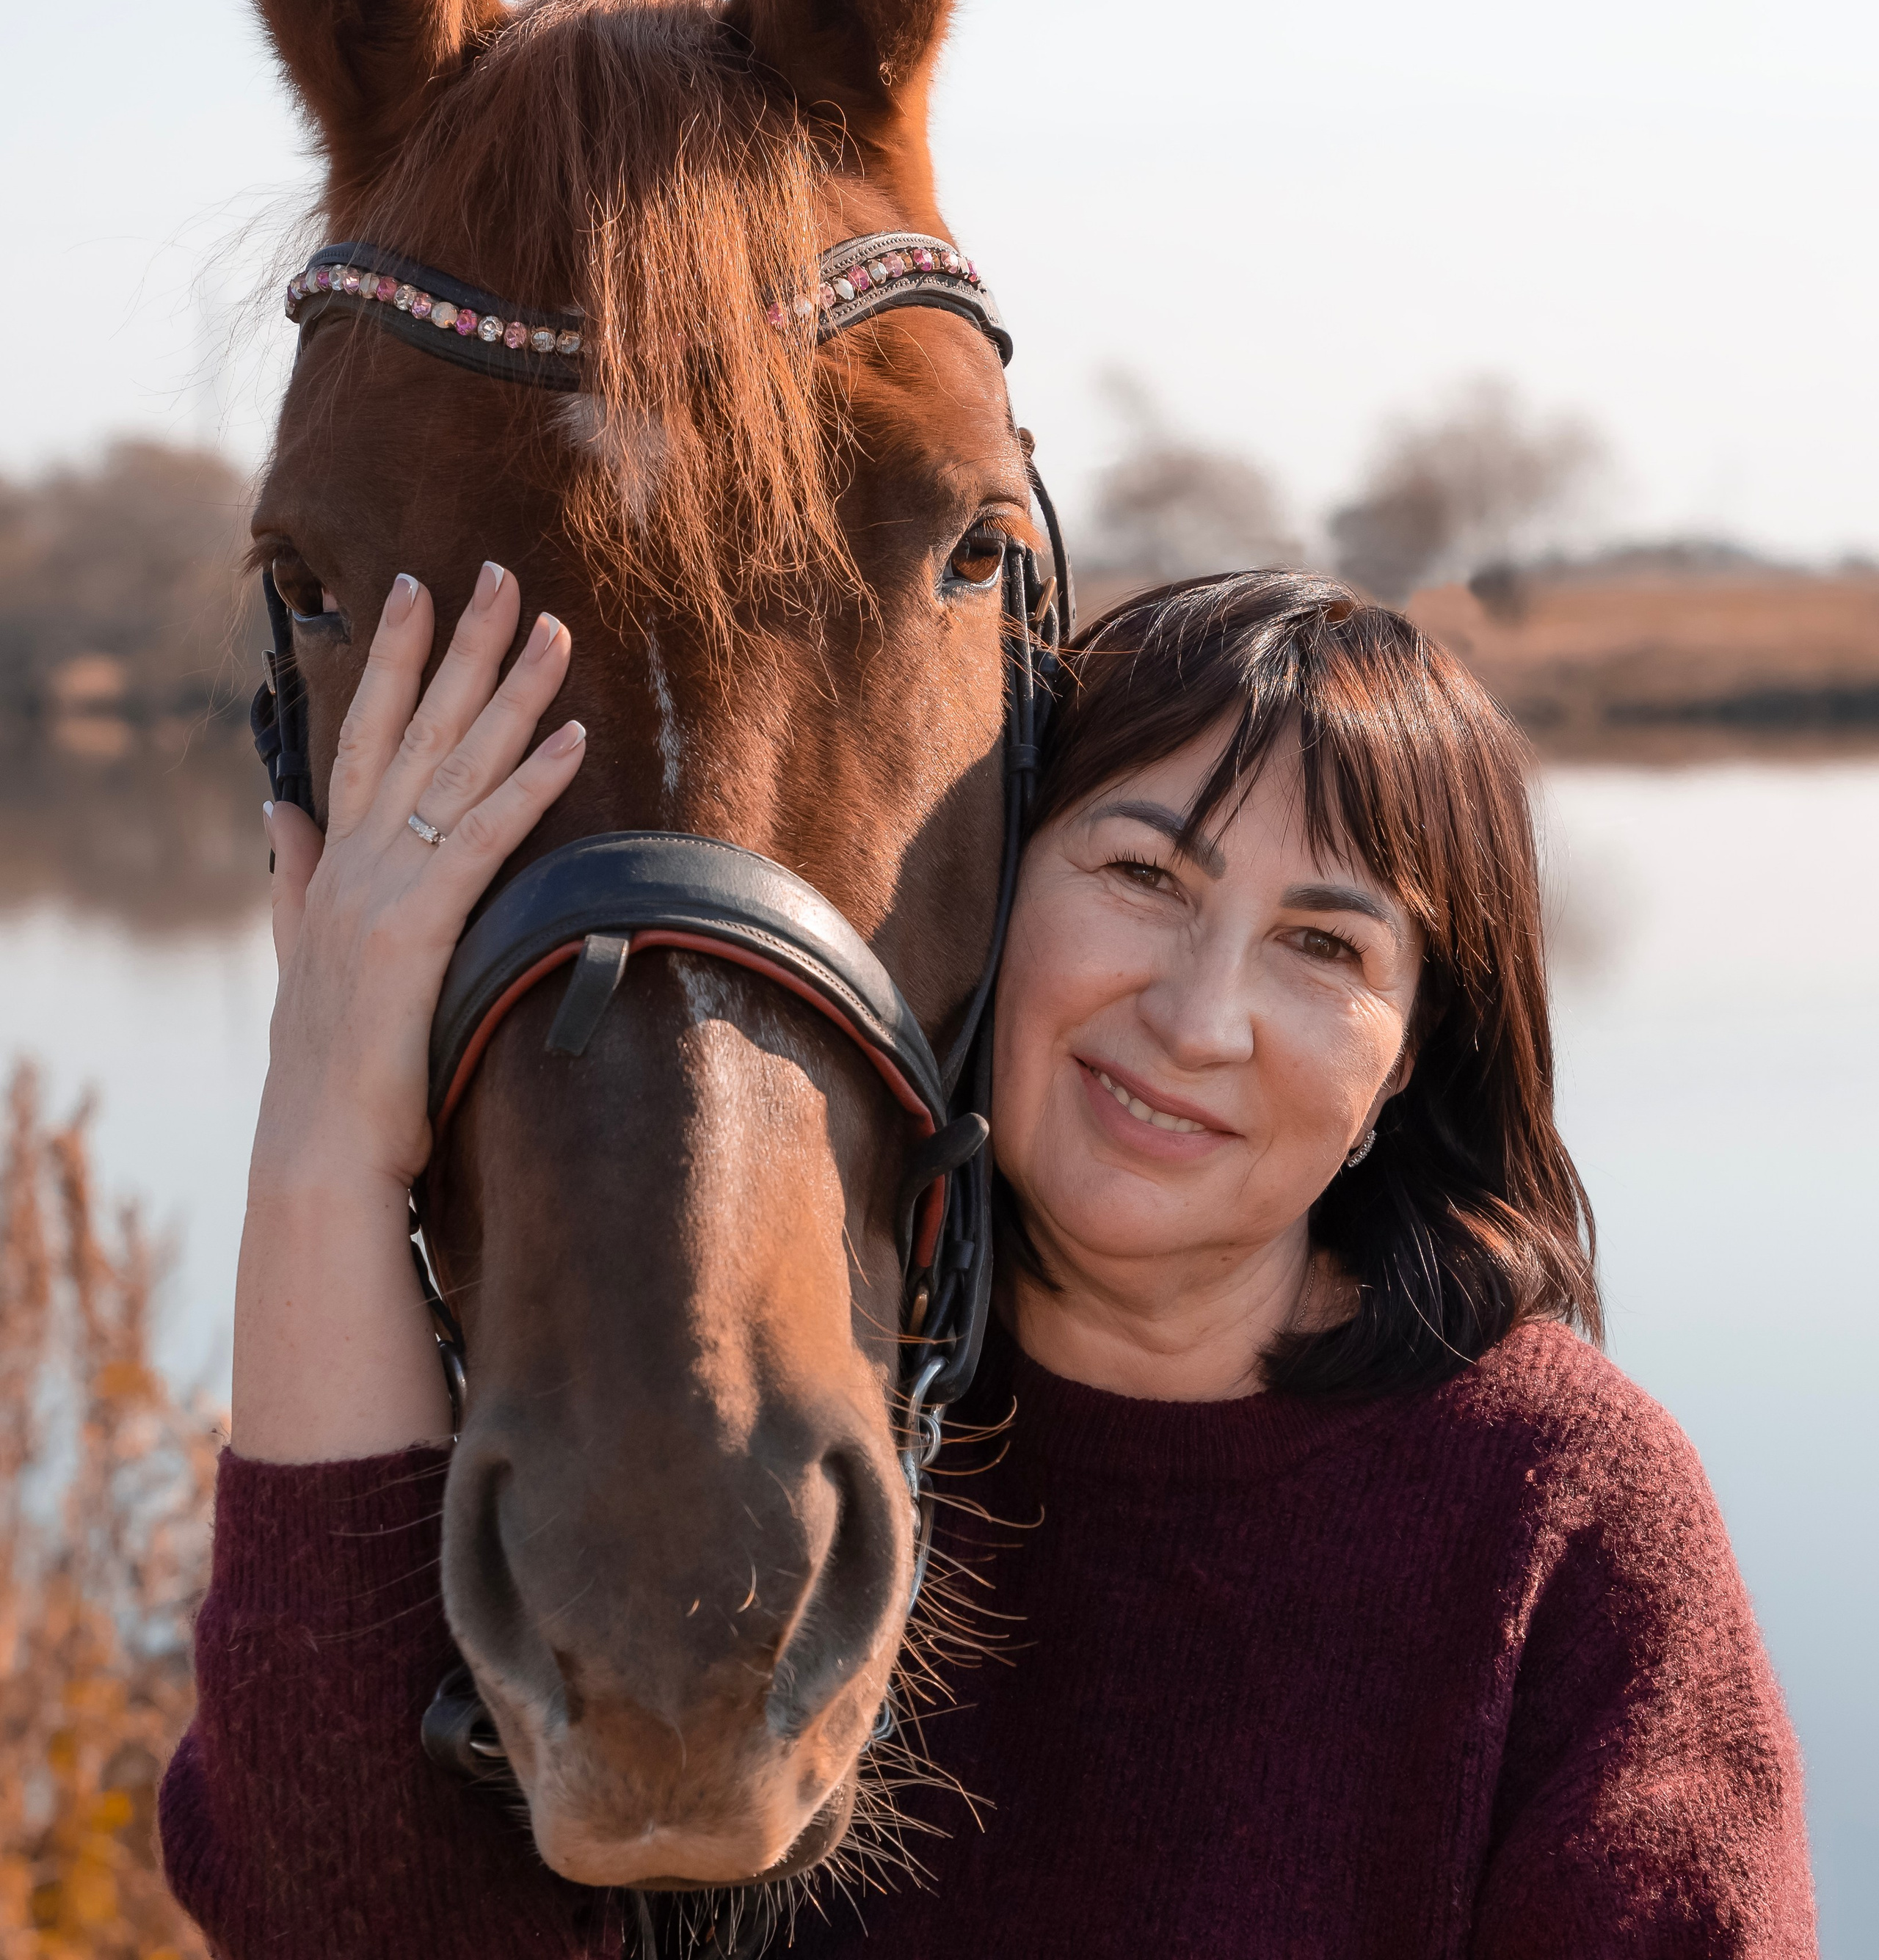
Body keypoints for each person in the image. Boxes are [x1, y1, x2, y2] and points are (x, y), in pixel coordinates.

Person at [160, 567, 1816, 1959]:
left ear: (1407, 1059)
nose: (1195, 1016)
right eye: (1138, 875)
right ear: (982, 902)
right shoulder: (760, 1422)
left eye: (1322, 945)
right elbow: (333, 1911)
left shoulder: (1558, 1506)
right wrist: (324, 1135)